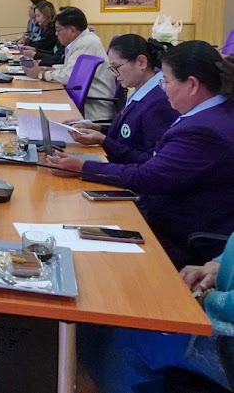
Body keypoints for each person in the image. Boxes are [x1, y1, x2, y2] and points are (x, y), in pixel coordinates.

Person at [47, 41, 234, 268]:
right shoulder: (212, 113)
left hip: (180, 236)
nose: (163, 88)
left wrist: (83, 167)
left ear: (192, 85)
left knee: (81, 256)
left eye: (166, 81)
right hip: (165, 213)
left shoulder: (204, 129)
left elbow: (149, 176)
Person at [79, 233, 234, 393]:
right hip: (220, 303)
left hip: (226, 335)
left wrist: (206, 298)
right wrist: (218, 265)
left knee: (129, 333)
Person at [67, 35, 177, 164]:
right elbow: (128, 135)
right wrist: (96, 128)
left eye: (117, 67)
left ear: (141, 62)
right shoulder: (140, 90)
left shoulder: (158, 102)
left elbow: (150, 160)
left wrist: (103, 141)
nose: (114, 75)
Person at [24, 6, 115, 121]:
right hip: (83, 101)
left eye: (58, 30)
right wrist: (46, 69)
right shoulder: (82, 41)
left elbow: (68, 77)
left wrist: (40, 74)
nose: (56, 34)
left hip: (92, 109)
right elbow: (72, 68)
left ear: (72, 30)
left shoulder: (86, 44)